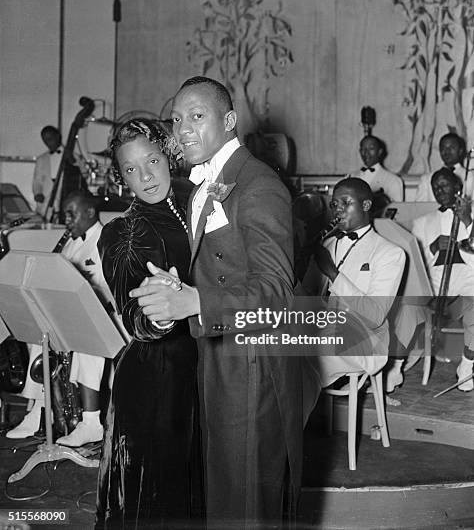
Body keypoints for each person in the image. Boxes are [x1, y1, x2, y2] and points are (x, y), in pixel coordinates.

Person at [130, 77, 314, 529]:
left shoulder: (259, 185)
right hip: (217, 357)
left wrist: (197, 301)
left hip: (253, 366)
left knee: (247, 497)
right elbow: (223, 270)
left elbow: (276, 291)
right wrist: (184, 288)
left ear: (229, 121)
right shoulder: (200, 189)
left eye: (197, 116)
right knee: (225, 491)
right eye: (177, 119)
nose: (183, 128)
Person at [95, 119, 202, 529]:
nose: (145, 176)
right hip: (156, 384)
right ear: (120, 177)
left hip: (197, 369)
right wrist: (162, 309)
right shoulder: (123, 232)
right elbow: (133, 316)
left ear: (167, 155)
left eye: (152, 160)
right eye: (131, 170)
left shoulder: (195, 200)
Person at [6, 190, 112, 445]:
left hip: (107, 315)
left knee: (89, 342)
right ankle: (39, 411)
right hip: (74, 314)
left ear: (89, 212)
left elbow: (107, 290)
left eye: (71, 214)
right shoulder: (71, 242)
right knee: (38, 336)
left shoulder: (106, 239)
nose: (67, 220)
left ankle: (90, 422)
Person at [311, 178, 406, 386]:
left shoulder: (390, 253)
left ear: (366, 205)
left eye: (346, 203)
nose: (338, 210)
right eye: (334, 205)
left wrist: (332, 273)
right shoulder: (326, 245)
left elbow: (375, 316)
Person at [392, 168, 474, 392]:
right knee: (407, 308)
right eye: (436, 187)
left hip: (467, 287)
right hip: (435, 289)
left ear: (458, 187)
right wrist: (433, 247)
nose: (439, 190)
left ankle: (467, 367)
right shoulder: (423, 222)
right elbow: (418, 264)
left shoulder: (473, 215)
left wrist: (467, 223)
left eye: (445, 185)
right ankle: (395, 369)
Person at [415, 133, 474, 202]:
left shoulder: (471, 176)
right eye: (443, 148)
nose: (447, 151)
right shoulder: (427, 179)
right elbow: (420, 208)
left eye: (451, 147)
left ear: (460, 151)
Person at [348, 135, 404, 206]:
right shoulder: (350, 177)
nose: (366, 153)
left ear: (380, 151)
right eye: (363, 149)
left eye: (371, 149)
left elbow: (397, 210)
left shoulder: (393, 180)